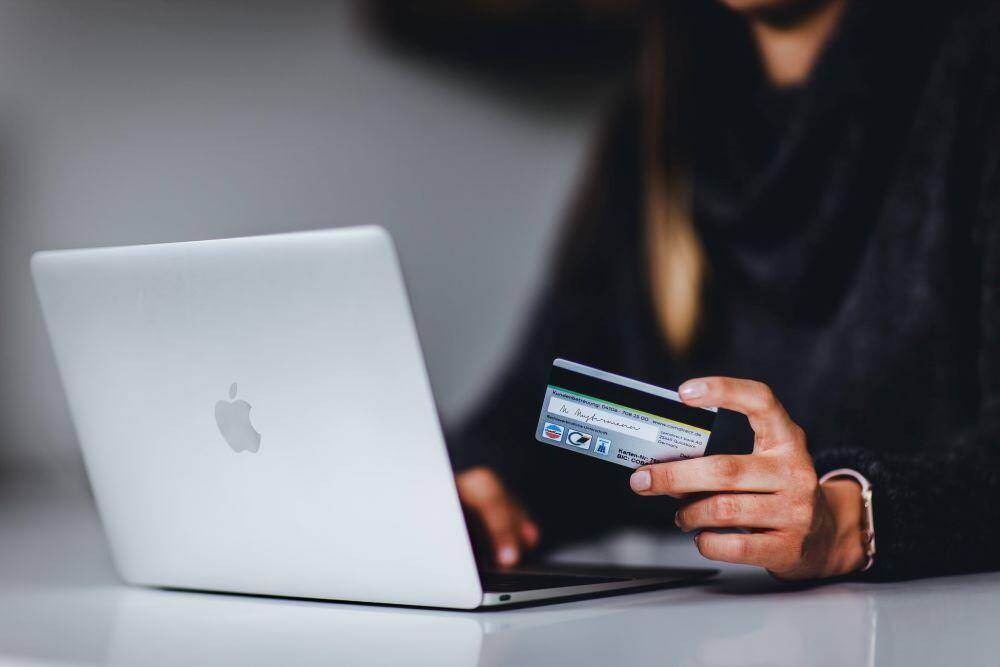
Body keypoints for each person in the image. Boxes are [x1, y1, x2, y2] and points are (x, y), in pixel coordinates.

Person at [449, 0, 1000, 581]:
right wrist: (490, 492)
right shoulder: (657, 118)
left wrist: (851, 518)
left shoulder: (978, 70)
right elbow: (537, 410)